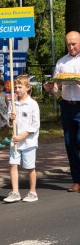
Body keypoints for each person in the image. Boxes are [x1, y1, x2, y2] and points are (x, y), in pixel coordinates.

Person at [43, 30, 80, 192]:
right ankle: (76, 180)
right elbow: (56, 86)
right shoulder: (61, 62)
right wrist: (50, 88)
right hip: (67, 106)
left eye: (74, 44)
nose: (71, 47)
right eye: (68, 44)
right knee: (70, 143)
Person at [3, 75, 40, 203]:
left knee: (30, 167)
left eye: (20, 87)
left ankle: (33, 192)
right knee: (13, 164)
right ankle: (15, 192)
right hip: (16, 142)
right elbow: (9, 123)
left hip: (28, 141)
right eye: (16, 87)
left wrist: (22, 137)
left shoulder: (32, 104)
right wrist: (10, 119)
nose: (17, 90)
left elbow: (35, 125)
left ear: (28, 88)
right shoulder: (14, 103)